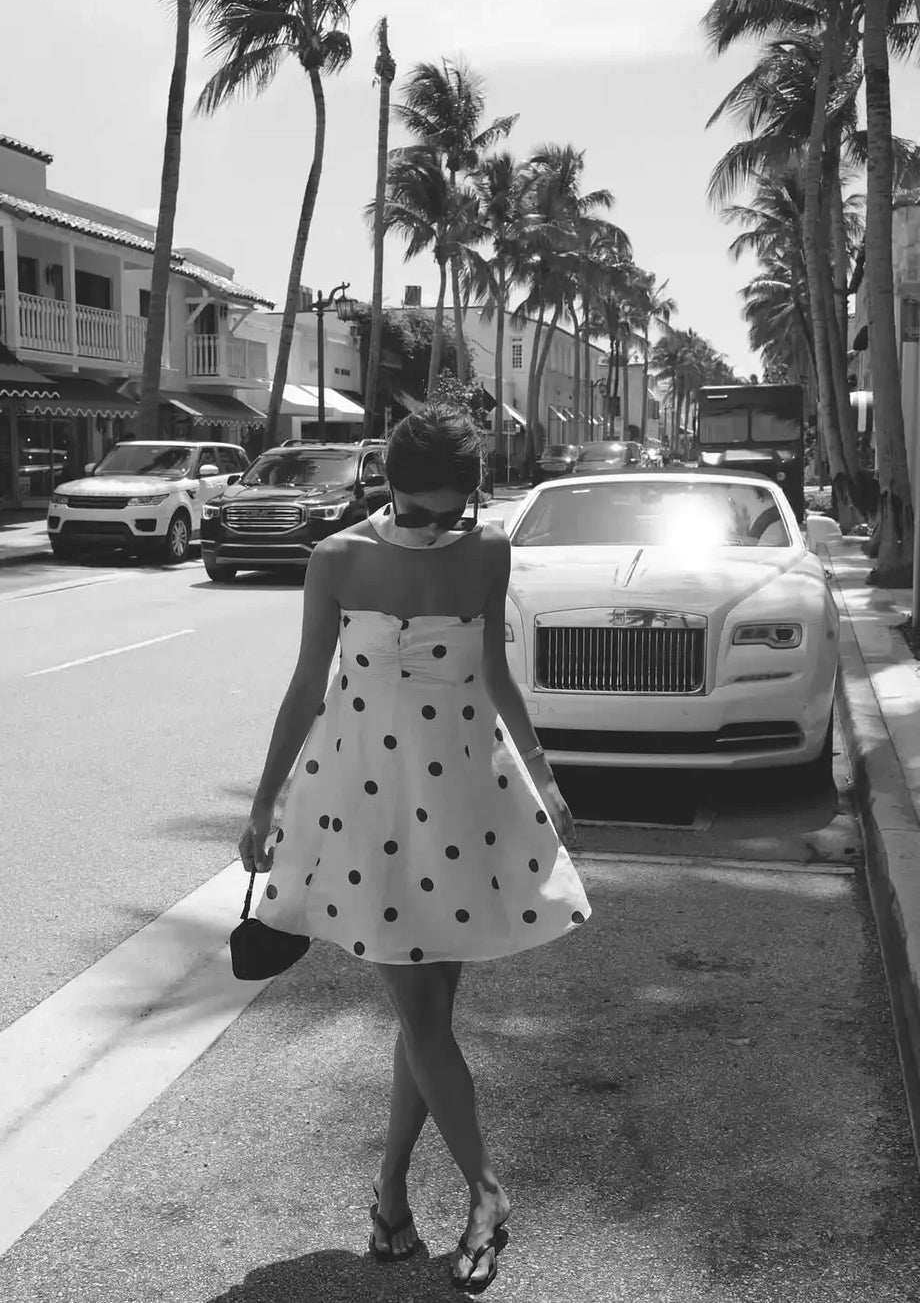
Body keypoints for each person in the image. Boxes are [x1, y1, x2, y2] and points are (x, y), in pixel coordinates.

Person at [239, 405, 591, 1293]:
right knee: (423, 1012)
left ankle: (391, 1196)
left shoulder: (489, 552)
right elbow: (304, 686)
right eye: (415, 509)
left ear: (476, 497)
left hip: (466, 795)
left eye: (452, 512)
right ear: (382, 484)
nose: (434, 530)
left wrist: (545, 778)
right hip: (364, 801)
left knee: (424, 1013)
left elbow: (497, 675)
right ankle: (487, 1190)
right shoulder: (338, 558)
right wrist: (263, 799)